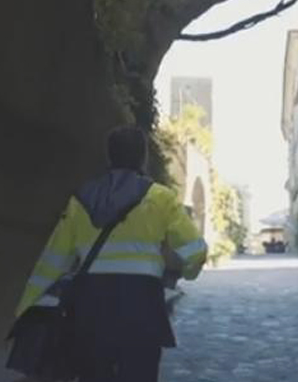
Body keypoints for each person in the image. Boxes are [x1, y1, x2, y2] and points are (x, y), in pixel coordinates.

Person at [14, 125, 208, 382]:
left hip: (91, 304)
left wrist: (25, 308)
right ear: (142, 157)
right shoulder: (161, 198)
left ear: (110, 156)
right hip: (142, 303)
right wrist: (188, 273)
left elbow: (53, 260)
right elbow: (195, 251)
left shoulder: (81, 199)